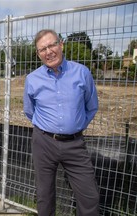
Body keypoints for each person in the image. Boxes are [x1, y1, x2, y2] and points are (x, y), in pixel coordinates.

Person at [23, 29, 99, 216]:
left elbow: (91, 107)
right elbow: (29, 111)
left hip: (74, 144)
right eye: (42, 49)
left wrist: (74, 126)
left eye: (51, 45)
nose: (48, 52)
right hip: (44, 143)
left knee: (89, 196)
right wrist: (48, 127)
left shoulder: (81, 73)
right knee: (44, 194)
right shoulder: (32, 79)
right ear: (38, 54)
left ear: (61, 44)